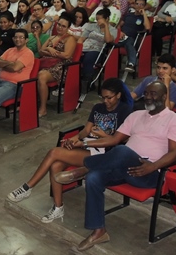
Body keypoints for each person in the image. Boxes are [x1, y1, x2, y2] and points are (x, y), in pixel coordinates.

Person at [55, 81, 176, 251]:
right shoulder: (136, 115)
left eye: (153, 94)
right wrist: (83, 143)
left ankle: (85, 168)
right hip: (122, 167)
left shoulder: (175, 120)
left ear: (163, 96)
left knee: (122, 151)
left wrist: (153, 167)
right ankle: (99, 231)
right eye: (146, 93)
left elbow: (174, 153)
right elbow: (113, 139)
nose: (148, 97)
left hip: (148, 173)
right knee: (95, 178)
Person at [7, 79, 132, 223]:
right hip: (87, 145)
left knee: (54, 153)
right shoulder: (98, 107)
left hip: (105, 152)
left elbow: (121, 140)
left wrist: (100, 134)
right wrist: (73, 139)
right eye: (103, 97)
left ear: (118, 95)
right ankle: (58, 207)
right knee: (56, 165)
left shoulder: (125, 111)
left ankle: (27, 187)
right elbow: (85, 130)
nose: (106, 101)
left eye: (109, 97)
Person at [0, 28, 35, 118]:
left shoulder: (28, 53)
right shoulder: (10, 50)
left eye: (21, 37)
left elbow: (15, 68)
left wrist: (5, 65)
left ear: (26, 40)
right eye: (16, 37)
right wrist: (11, 63)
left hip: (14, 85)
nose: (18, 39)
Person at [36, 13, 77, 117]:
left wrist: (51, 51)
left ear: (68, 28)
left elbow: (67, 55)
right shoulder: (52, 37)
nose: (60, 27)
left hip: (61, 66)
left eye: (63, 26)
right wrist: (50, 49)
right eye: (59, 24)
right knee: (28, 72)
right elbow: (41, 51)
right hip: (47, 63)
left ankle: (43, 108)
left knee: (41, 76)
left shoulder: (70, 38)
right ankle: (27, 103)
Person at [118, 0, 150, 72]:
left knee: (129, 44)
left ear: (144, 6)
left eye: (142, 4)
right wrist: (120, 32)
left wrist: (144, 14)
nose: (139, 6)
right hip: (120, 36)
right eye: (137, 4)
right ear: (134, 5)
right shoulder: (128, 15)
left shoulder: (144, 18)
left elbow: (148, 27)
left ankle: (131, 64)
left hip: (132, 38)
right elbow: (119, 25)